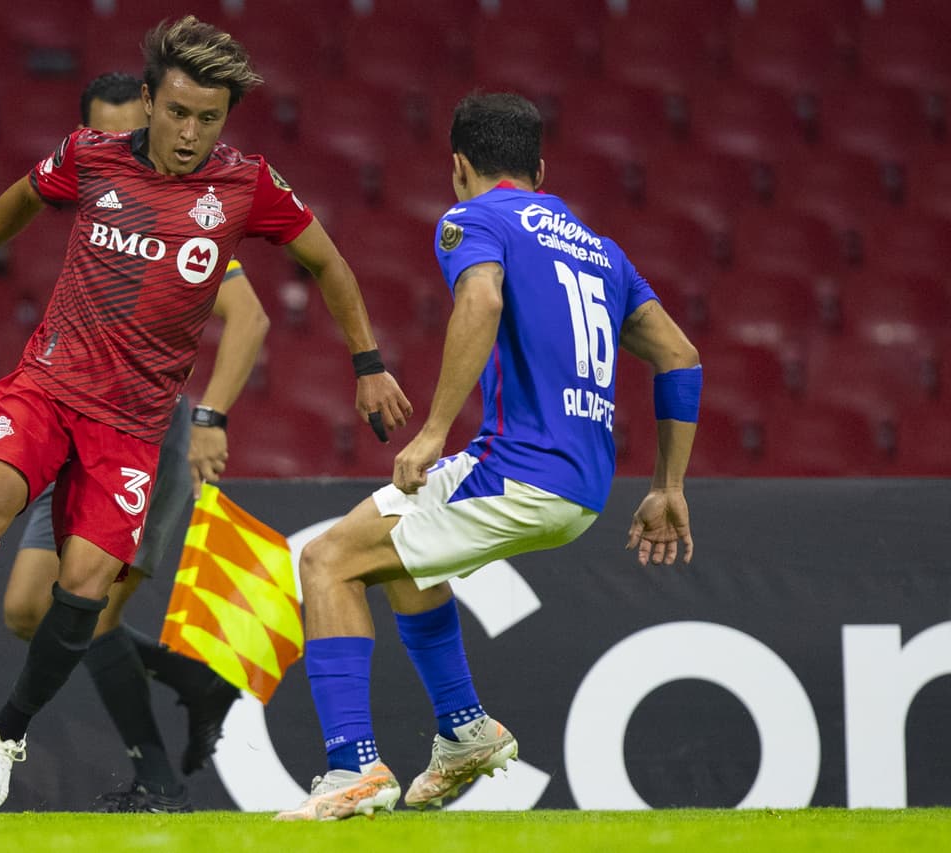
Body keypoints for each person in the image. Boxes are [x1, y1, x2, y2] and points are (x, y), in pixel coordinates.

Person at [0, 14, 412, 801]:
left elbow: (328, 261)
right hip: (48, 386)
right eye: (177, 113)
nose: (189, 133)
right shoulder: (91, 157)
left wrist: (367, 364)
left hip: (134, 426)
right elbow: (21, 194)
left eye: (207, 119)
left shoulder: (243, 187)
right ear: (149, 101)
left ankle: (6, 735)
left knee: (84, 588)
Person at [275, 92, 701, 821]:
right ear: (540, 167)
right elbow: (680, 355)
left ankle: (353, 768)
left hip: (520, 467)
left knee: (327, 560)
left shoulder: (474, 218)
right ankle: (465, 729)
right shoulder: (602, 250)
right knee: (403, 563)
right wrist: (667, 486)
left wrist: (434, 430)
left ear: (459, 167)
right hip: (587, 485)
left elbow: (481, 299)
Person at [0, 72, 268, 813]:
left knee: (92, 608)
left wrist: (213, 417)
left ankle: (157, 778)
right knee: (24, 609)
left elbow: (252, 318)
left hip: (144, 429)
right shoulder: (97, 196)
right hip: (69, 416)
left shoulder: (179, 208)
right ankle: (191, 678)